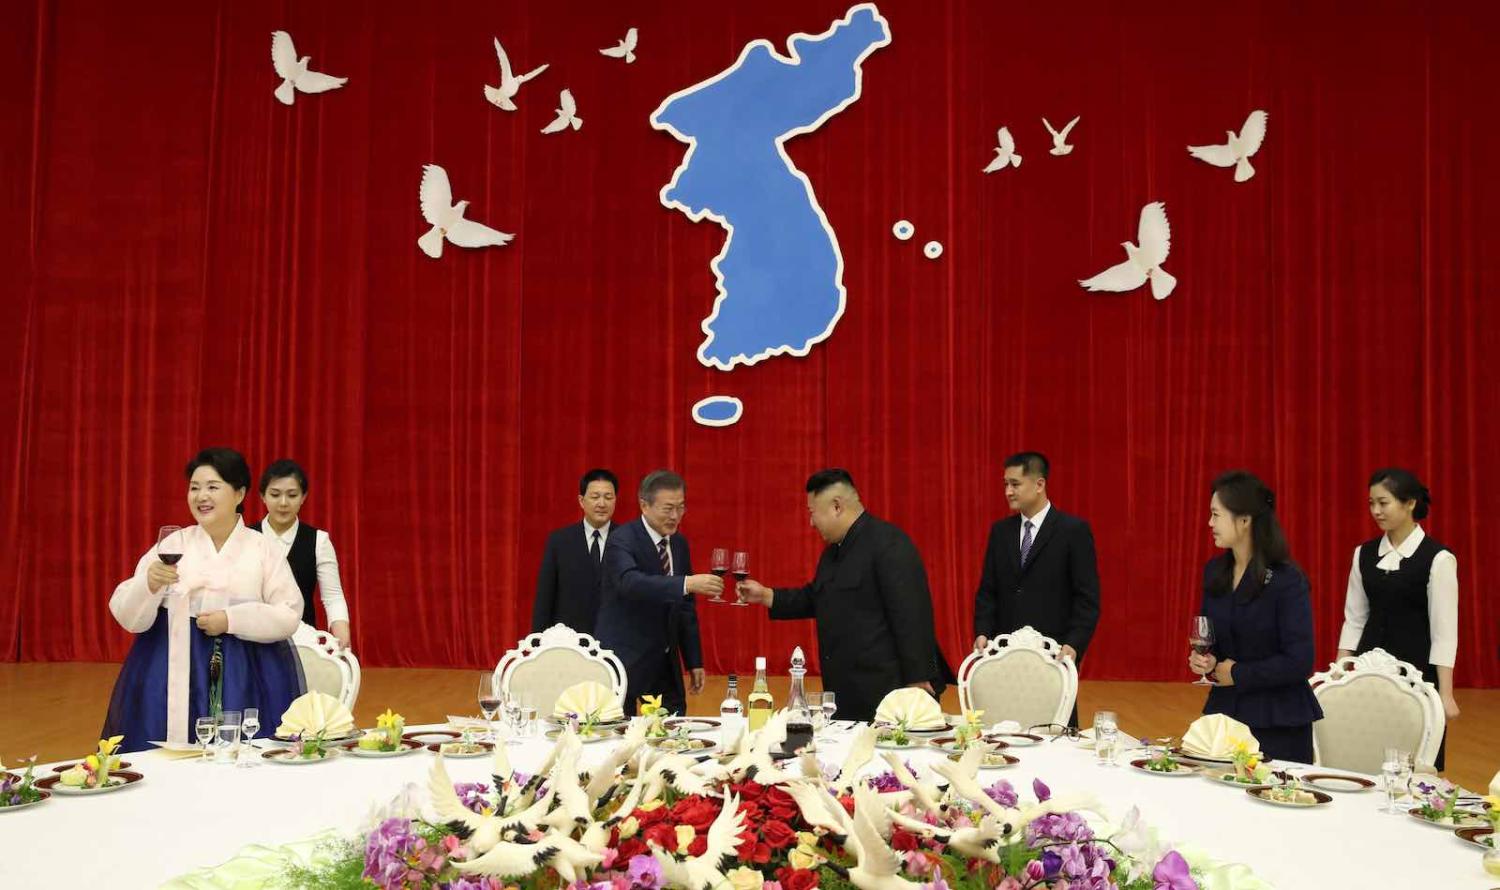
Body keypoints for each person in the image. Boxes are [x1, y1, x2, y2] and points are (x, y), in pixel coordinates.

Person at [103, 448, 305, 753]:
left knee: (242, 758)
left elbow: (289, 613)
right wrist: (148, 584)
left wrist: (231, 619)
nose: (201, 496)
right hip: (169, 666)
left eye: (212, 487)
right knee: (163, 757)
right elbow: (127, 615)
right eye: (194, 488)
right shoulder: (173, 543)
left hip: (245, 670)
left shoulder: (262, 549)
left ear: (239, 493)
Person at [737, 469, 950, 724]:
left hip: (887, 693)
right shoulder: (832, 553)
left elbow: (912, 614)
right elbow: (819, 598)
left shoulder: (889, 544)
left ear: (836, 506)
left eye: (812, 512)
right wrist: (767, 596)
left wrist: (918, 679)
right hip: (846, 693)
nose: (811, 523)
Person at [1189, 470, 1323, 763]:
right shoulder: (1215, 571)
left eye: (1216, 514)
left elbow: (1299, 660)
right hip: (1225, 714)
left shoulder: (1287, 580)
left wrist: (1238, 674)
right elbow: (1213, 639)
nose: (1209, 523)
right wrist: (1207, 661)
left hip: (1277, 720)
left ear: (1245, 520)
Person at [1337, 468, 1459, 769]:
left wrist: (1445, 694)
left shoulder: (1439, 558)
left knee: (1413, 763)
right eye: (1371, 503)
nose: (1376, 511)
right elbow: (1354, 618)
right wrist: (1341, 669)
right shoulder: (1363, 554)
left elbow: (1444, 632)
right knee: (1361, 753)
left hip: (1416, 670)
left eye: (1383, 503)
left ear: (1410, 504)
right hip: (1369, 667)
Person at [596, 470, 720, 715]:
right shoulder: (621, 540)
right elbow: (630, 582)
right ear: (644, 505)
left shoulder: (679, 544)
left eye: (681, 508)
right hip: (626, 659)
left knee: (673, 734)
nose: (675, 516)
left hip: (665, 664)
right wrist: (686, 583)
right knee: (623, 738)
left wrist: (694, 661)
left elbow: (685, 608)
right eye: (668, 509)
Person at [971, 452, 1101, 666]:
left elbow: (1087, 598)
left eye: (1015, 484)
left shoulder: (1073, 531)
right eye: (1005, 484)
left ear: (1039, 484)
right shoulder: (1001, 532)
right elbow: (987, 590)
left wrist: (1074, 643)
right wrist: (983, 631)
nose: (1008, 492)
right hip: (1003, 654)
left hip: (1053, 655)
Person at [252, 459, 351, 648]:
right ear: (263, 496)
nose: (283, 503)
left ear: (303, 497)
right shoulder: (245, 537)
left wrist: (342, 634)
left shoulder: (318, 541)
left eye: (292, 495)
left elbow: (333, 597)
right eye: (275, 494)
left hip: (303, 644)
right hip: (253, 642)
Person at [531, 468, 619, 634]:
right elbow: (545, 596)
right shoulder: (560, 541)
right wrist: (538, 641)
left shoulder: (627, 540)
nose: (602, 503)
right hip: (569, 641)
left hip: (615, 641)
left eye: (608, 497)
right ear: (581, 500)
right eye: (595, 497)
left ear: (615, 500)